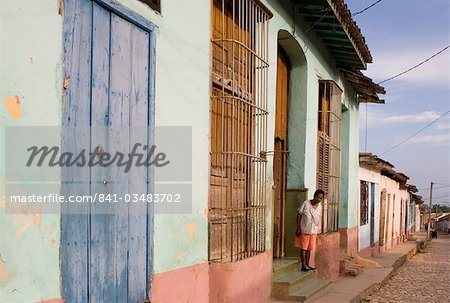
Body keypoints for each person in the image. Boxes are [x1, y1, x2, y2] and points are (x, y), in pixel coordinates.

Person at [294, 189, 324, 272]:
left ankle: (307, 264)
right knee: (303, 248)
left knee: (309, 248)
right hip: (304, 229)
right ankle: (303, 266)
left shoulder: (320, 207)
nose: (319, 199)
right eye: (318, 197)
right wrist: (298, 228)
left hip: (313, 230)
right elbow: (299, 215)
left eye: (321, 198)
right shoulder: (306, 203)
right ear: (314, 196)